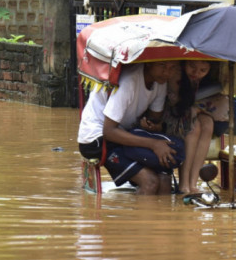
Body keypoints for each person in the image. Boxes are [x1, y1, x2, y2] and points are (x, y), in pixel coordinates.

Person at [77, 61, 181, 195]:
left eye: (172, 67)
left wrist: (153, 126)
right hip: (97, 137)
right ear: (148, 64)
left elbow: (155, 119)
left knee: (164, 177)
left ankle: (158, 215)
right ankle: (138, 215)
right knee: (150, 182)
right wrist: (154, 144)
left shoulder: (160, 82)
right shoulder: (129, 82)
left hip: (123, 134)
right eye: (162, 66)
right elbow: (109, 131)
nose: (167, 73)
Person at [163, 60, 215, 194]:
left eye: (203, 70)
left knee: (208, 123)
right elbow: (175, 104)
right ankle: (184, 184)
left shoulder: (203, 80)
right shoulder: (176, 74)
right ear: (185, 63)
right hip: (170, 115)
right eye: (192, 67)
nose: (196, 73)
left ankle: (193, 182)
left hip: (188, 112)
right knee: (194, 126)